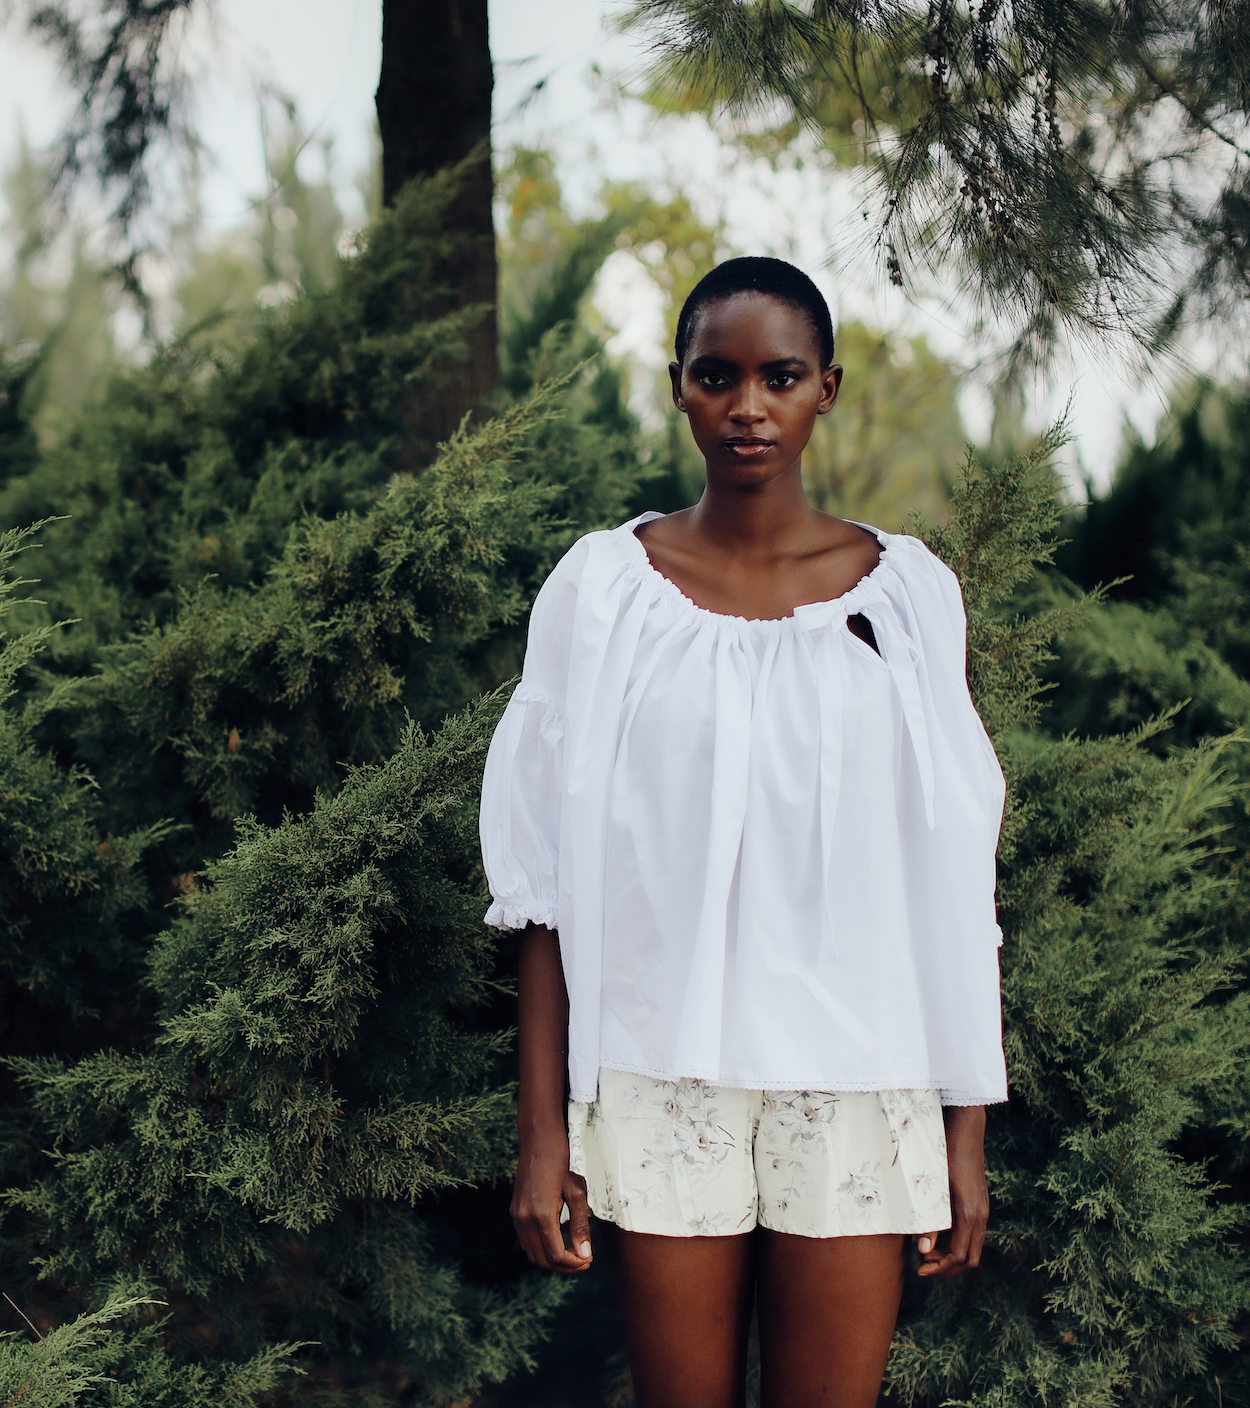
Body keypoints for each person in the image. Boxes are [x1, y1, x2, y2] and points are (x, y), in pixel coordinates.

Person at [479, 257, 1007, 1408]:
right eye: (717, 376)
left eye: (779, 376)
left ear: (827, 387)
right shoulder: (604, 590)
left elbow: (955, 877)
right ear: (678, 387)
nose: (748, 406)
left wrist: (963, 1128)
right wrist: (542, 1134)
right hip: (661, 1071)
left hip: (862, 1079)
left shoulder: (908, 595)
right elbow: (543, 886)